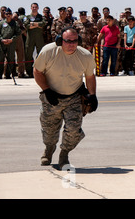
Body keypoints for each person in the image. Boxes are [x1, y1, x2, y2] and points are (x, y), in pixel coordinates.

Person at [33, 27, 97, 170]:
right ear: (60, 41)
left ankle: (64, 154)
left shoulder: (84, 55)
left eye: (75, 41)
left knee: (74, 130)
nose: (71, 44)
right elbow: (37, 71)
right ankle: (49, 149)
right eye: (68, 41)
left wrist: (92, 95)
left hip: (73, 97)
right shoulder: (48, 51)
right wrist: (46, 91)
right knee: (49, 132)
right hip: (51, 97)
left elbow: (90, 76)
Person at [0, 8, 21, 79]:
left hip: (11, 43)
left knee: (10, 59)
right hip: (2, 43)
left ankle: (7, 74)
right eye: (7, 14)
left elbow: (18, 33)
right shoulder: (1, 23)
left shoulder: (15, 23)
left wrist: (12, 39)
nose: (8, 15)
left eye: (10, 14)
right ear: (5, 14)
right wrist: (1, 39)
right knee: (0, 59)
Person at [24, 3, 47, 78]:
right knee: (28, 54)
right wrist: (38, 25)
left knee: (40, 55)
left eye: (36, 7)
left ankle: (39, 71)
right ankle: (29, 72)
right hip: (30, 38)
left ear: (38, 8)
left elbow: (43, 23)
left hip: (39, 38)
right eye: (33, 7)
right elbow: (26, 26)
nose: (34, 8)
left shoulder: (41, 17)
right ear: (31, 8)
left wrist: (33, 24)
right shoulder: (27, 17)